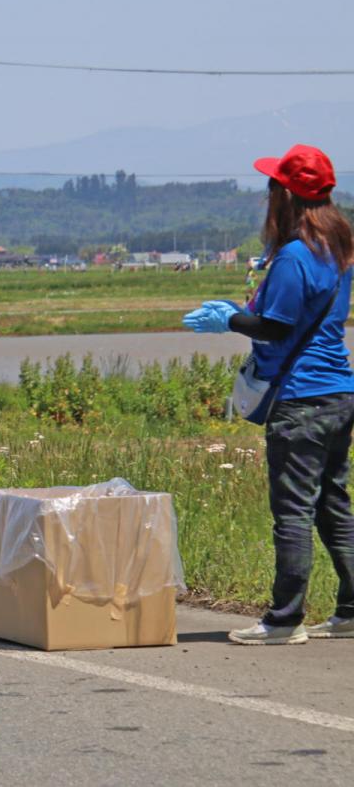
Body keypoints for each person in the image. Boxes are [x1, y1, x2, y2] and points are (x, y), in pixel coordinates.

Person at [184, 143, 354, 644]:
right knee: (334, 504)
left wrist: (230, 320)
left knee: (293, 509)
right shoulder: (339, 249)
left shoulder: (295, 256)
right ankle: (350, 610)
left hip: (300, 398)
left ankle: (284, 619)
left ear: (287, 196)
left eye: (271, 187)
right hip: (339, 391)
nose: (267, 196)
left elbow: (276, 327)